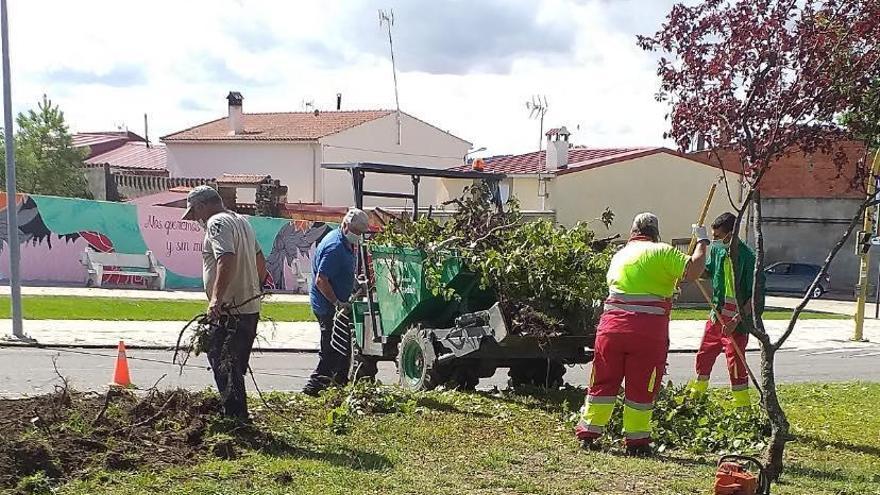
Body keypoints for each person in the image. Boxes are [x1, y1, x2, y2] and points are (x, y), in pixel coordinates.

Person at [575, 212, 709, 455]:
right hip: (646, 331)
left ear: (633, 232)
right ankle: (636, 443)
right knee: (641, 387)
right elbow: (694, 270)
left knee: (603, 381)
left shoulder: (620, 255)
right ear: (655, 232)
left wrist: (667, 283)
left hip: (610, 329)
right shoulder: (663, 251)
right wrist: (702, 241)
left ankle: (589, 433)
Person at [182, 185, 267, 420]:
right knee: (234, 363)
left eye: (195, 212)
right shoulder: (242, 221)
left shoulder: (217, 223)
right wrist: (260, 286)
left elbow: (225, 258)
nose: (196, 219)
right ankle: (236, 412)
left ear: (201, 206)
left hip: (231, 309)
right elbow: (260, 258)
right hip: (249, 307)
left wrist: (217, 300)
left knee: (223, 360)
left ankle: (235, 416)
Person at [689, 212, 765, 408]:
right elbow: (707, 272)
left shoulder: (748, 258)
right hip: (717, 316)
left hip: (736, 323)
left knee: (736, 364)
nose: (715, 240)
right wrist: (691, 262)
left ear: (730, 234)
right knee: (703, 356)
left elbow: (755, 297)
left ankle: (743, 407)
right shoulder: (717, 252)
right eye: (712, 237)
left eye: (717, 237)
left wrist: (736, 321)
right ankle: (696, 399)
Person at [302, 207, 369, 396]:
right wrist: (337, 303)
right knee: (332, 347)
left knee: (343, 347)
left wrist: (355, 284)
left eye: (361, 233)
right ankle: (314, 387)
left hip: (338, 305)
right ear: (346, 226)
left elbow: (341, 272)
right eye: (356, 232)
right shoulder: (335, 247)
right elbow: (321, 280)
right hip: (327, 306)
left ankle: (339, 384)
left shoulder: (345, 243)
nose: (358, 236)